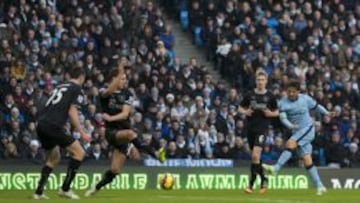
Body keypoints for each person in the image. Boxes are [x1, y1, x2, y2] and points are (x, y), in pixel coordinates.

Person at [85, 67, 166, 197]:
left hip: (123, 133)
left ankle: (95, 187)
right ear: (114, 80)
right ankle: (155, 153)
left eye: (125, 78)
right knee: (131, 134)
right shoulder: (103, 91)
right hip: (111, 132)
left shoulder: (127, 93)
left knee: (115, 170)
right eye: (122, 78)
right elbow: (106, 93)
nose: (125, 81)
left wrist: (111, 117)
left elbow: (125, 114)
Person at [262, 80, 334, 195]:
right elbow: (282, 117)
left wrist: (327, 113)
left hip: (308, 128)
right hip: (297, 131)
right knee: (307, 160)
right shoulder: (282, 103)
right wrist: (290, 125)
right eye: (288, 91)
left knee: (290, 143)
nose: (290, 94)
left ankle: (276, 168)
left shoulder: (305, 99)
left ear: (298, 91)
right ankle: (320, 186)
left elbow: (316, 106)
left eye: (293, 92)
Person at [33, 67, 91, 199]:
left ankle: (38, 192)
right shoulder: (77, 89)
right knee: (79, 153)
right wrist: (82, 132)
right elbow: (72, 111)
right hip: (53, 126)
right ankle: (65, 189)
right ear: (81, 77)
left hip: (41, 124)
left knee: (54, 158)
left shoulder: (60, 86)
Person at [237, 69, 278, 194]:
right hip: (250, 128)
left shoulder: (270, 96)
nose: (260, 82)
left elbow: (276, 112)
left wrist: (270, 113)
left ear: (266, 81)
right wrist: (245, 112)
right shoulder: (250, 95)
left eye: (262, 80)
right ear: (256, 81)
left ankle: (250, 184)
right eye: (258, 80)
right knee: (256, 159)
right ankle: (264, 179)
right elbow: (240, 107)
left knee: (255, 155)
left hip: (262, 129)